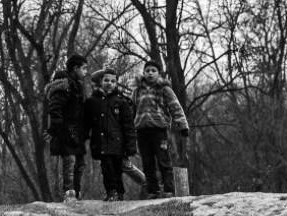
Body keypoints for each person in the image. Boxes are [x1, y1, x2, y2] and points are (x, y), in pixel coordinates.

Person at [132, 60, 189, 199]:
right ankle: (153, 191)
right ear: (144, 73)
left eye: (153, 71)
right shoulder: (137, 90)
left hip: (159, 130)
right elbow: (131, 108)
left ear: (158, 73)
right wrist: (129, 127)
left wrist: (183, 125)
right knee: (147, 162)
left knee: (163, 160)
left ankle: (169, 189)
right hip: (141, 130)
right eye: (147, 71)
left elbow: (175, 106)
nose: (150, 73)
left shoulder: (164, 88)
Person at [85, 69, 138, 202]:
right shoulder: (93, 101)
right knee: (106, 168)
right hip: (101, 141)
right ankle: (111, 191)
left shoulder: (121, 102)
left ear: (116, 83)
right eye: (106, 80)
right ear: (101, 81)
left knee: (117, 169)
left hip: (117, 142)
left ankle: (119, 193)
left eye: (113, 81)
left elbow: (128, 126)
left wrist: (130, 146)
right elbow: (86, 123)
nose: (109, 83)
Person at [46, 54, 90, 202]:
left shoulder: (77, 86)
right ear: (75, 68)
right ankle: (68, 193)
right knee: (69, 163)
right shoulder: (65, 86)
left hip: (78, 132)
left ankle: (76, 192)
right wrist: (58, 128)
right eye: (84, 69)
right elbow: (54, 107)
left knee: (80, 163)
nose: (86, 72)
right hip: (67, 131)